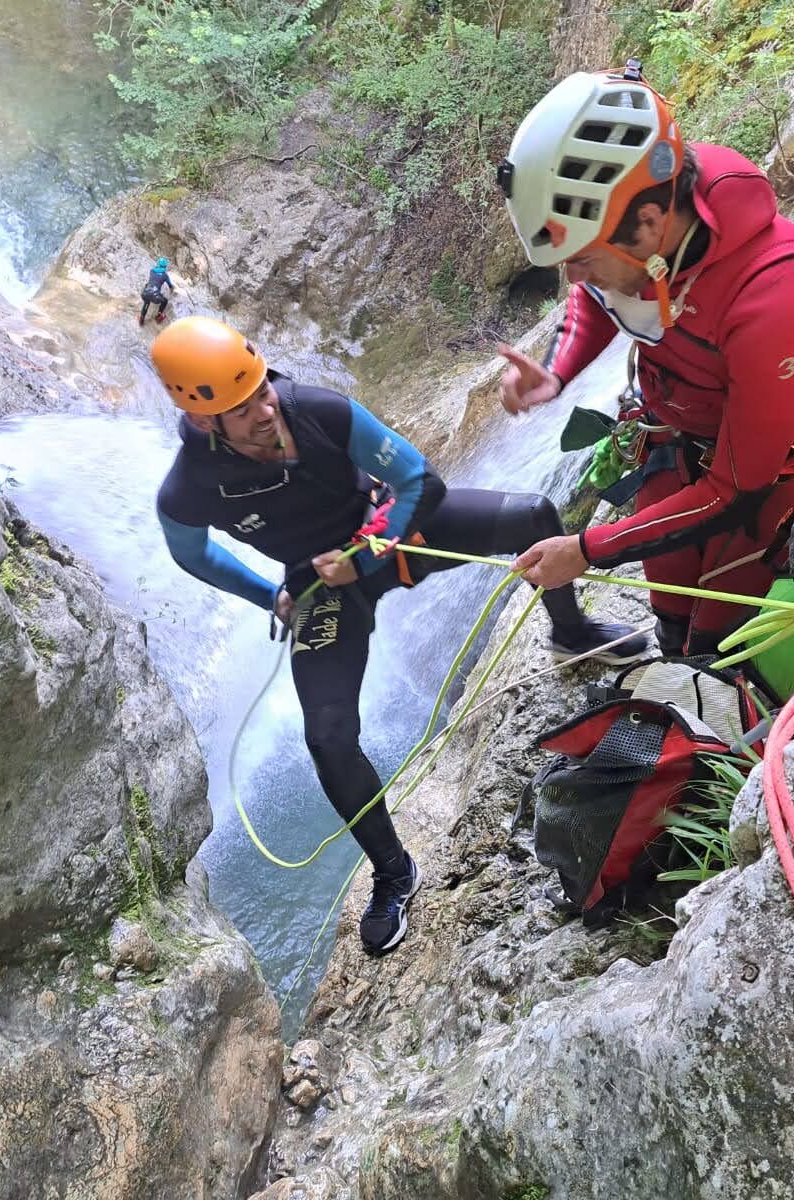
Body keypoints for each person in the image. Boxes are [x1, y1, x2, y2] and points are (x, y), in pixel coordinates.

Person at [151, 316, 649, 953]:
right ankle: (393, 873)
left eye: (262, 390)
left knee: (535, 517)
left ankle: (571, 632)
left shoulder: (318, 412)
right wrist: (270, 595)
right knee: (328, 739)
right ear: (203, 422)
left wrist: (365, 551)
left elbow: (420, 479)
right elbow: (191, 554)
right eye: (241, 407)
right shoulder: (190, 488)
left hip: (388, 529)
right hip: (321, 588)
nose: (264, 408)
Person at [493, 63, 794, 658]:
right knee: (672, 620)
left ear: (652, 224)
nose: (570, 278)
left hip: (762, 483)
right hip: (671, 451)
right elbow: (599, 293)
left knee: (721, 646)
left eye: (582, 258)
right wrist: (556, 372)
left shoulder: (781, 292)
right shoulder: (641, 224)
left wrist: (586, 550)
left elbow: (735, 490)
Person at [139, 257, 176, 326]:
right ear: (165, 266)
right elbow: (170, 285)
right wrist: (172, 289)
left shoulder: (152, 271)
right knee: (165, 301)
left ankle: (142, 318)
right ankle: (159, 315)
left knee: (147, 302)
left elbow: (154, 279)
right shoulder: (165, 275)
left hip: (145, 293)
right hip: (155, 296)